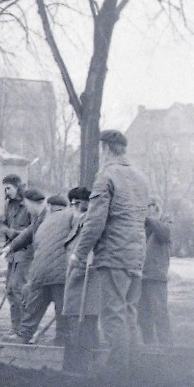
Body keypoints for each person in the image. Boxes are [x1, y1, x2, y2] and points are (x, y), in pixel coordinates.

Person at [69, 130, 149, 367]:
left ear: (105, 148)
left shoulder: (106, 177)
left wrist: (79, 253)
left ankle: (117, 374)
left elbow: (95, 221)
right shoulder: (140, 177)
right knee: (129, 312)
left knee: (113, 313)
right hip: (136, 254)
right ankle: (136, 370)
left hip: (114, 254)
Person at [5, 193, 73, 344]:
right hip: (61, 272)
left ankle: (23, 335)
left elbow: (27, 234)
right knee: (62, 309)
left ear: (49, 206)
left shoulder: (44, 219)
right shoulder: (71, 216)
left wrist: (11, 247)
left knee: (34, 306)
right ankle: (62, 339)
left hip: (40, 270)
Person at [62, 187, 99, 371]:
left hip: (84, 286)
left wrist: (80, 267)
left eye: (77, 202)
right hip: (76, 285)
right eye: (72, 203)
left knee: (82, 329)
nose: (73, 206)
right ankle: (77, 369)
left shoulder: (89, 224)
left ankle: (78, 372)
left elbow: (86, 252)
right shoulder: (78, 223)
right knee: (78, 328)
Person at [0, 175, 33, 334]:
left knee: (18, 288)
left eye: (9, 188)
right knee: (9, 291)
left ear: (17, 187)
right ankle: (16, 328)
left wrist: (15, 234)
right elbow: (2, 223)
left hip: (25, 252)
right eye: (5, 188)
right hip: (11, 252)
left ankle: (25, 329)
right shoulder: (7, 204)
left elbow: (34, 229)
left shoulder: (28, 204)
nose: (6, 191)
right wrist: (7, 231)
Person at [138, 197, 173, 345]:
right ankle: (148, 346)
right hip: (141, 276)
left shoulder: (166, 222)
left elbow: (164, 234)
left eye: (152, 205)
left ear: (157, 207)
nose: (149, 208)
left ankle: (166, 347)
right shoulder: (142, 225)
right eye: (147, 206)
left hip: (156, 276)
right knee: (143, 315)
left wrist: (152, 219)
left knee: (160, 313)